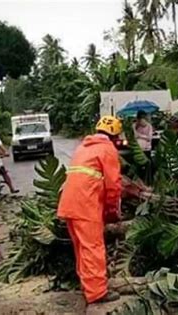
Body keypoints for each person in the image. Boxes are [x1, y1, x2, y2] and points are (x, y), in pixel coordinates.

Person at [57, 115, 123, 304]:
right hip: (86, 205)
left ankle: (88, 285)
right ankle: (97, 293)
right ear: (115, 135)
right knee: (93, 248)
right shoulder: (107, 149)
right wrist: (112, 211)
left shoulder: (83, 147)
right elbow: (113, 185)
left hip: (69, 205)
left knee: (82, 248)